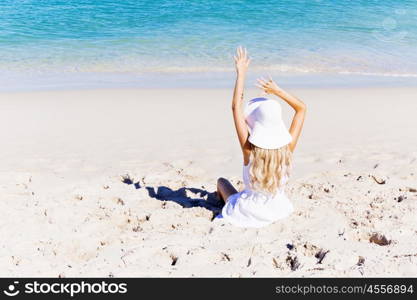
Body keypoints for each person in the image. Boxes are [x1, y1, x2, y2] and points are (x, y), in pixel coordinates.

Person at [216, 47, 306, 228]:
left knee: (222, 182)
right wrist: (277, 90)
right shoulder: (287, 148)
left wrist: (241, 73)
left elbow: (236, 107)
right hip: (277, 208)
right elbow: (301, 109)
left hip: (247, 210)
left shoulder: (249, 149)